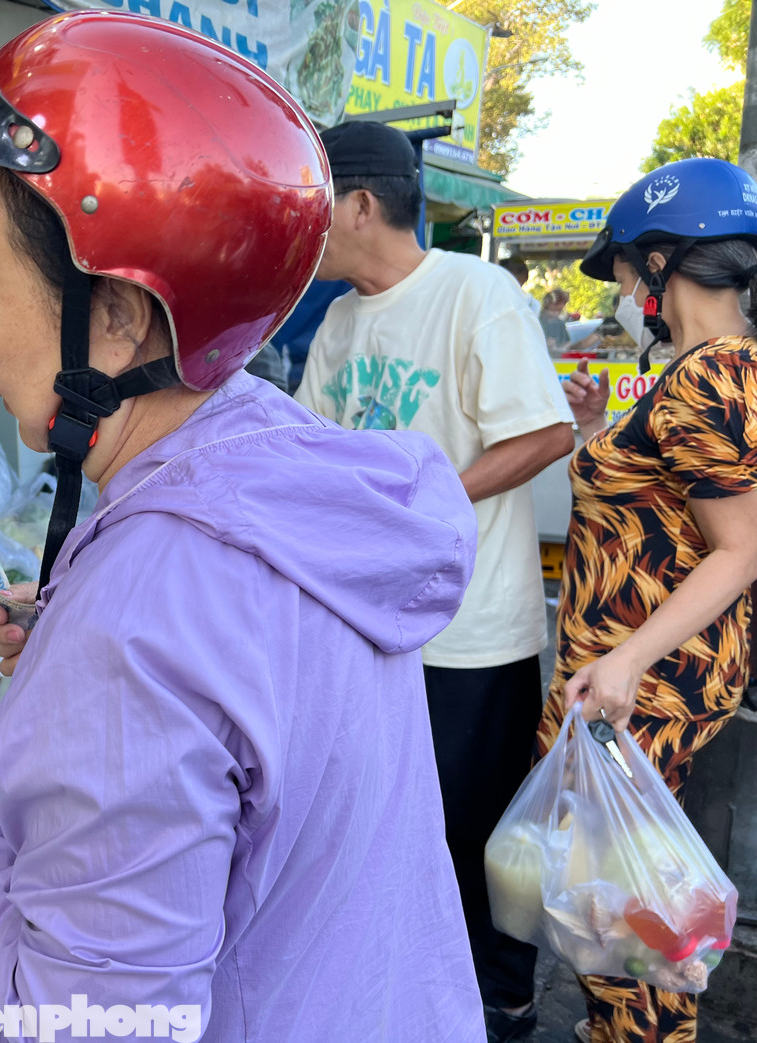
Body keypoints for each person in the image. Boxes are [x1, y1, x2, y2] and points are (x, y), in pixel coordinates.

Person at [0, 12, 484, 1040]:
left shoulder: (142, 621)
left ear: (123, 316)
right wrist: (74, 653)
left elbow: (99, 1019)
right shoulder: (279, 460)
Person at [291, 120, 575, 1041]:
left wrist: (423, 494)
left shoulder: (477, 293)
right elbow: (309, 453)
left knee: (477, 833)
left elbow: (543, 435)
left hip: (473, 632)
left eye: (317, 205)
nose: (308, 229)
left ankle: (504, 1000)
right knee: (386, 829)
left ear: (362, 204)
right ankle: (412, 993)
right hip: (372, 630)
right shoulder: (338, 320)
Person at [545, 157, 757, 1043]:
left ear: (667, 263)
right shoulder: (702, 369)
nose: (628, 290)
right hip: (640, 673)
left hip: (644, 681)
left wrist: (625, 658)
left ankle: (640, 1035)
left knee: (626, 905)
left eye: (631, 270)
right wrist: (601, 434)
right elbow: (664, 510)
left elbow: (742, 550)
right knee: (631, 893)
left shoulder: (711, 373)